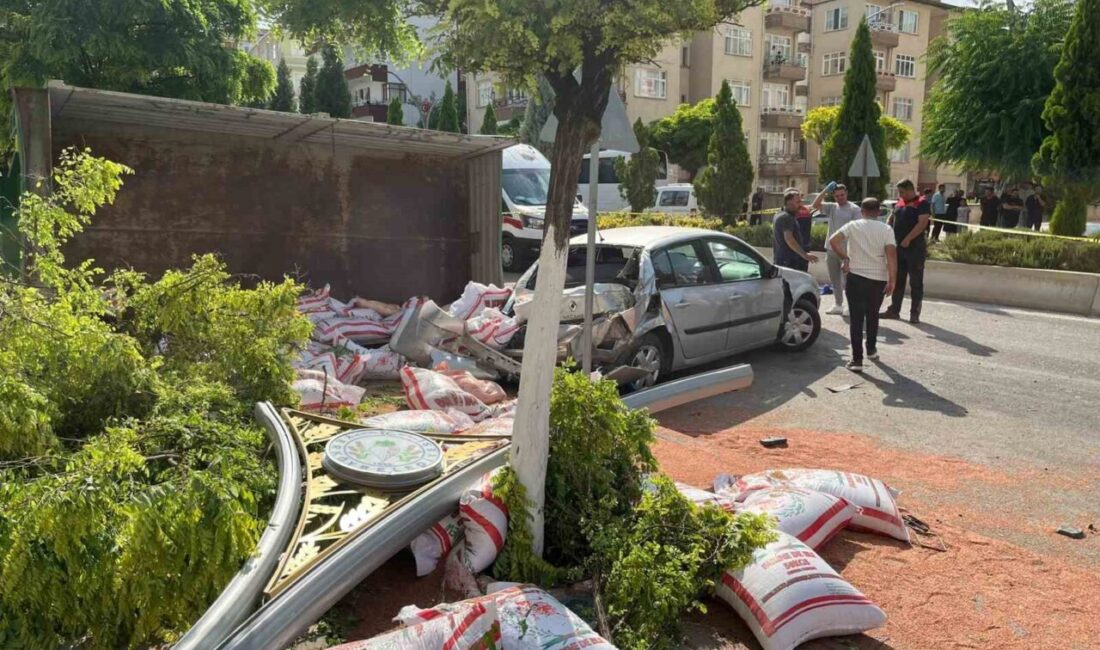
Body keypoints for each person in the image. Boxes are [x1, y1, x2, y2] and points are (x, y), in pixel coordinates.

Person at [829, 197, 897, 372]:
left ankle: (857, 359)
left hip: (856, 277)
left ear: (862, 211)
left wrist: (845, 258)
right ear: (878, 211)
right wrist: (892, 280)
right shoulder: (887, 229)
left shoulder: (853, 226)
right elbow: (891, 256)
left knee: (856, 319)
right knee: (873, 314)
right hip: (878, 279)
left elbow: (833, 240)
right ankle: (872, 349)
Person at [881, 179, 930, 324]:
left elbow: (922, 224)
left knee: (916, 282)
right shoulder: (900, 202)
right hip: (898, 249)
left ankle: (914, 314)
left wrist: (908, 239)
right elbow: (892, 218)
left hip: (915, 250)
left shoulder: (922, 203)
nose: (900, 195)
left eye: (902, 192)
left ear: (910, 190)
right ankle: (894, 310)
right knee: (898, 280)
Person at [811, 181, 861, 315]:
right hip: (831, 249)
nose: (840, 198)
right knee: (834, 279)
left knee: (848, 280)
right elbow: (815, 205)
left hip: (846, 251)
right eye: (837, 196)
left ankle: (851, 306)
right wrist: (825, 191)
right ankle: (838, 304)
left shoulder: (854, 209)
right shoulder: (832, 207)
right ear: (834, 197)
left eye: (842, 195)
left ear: (847, 194)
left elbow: (856, 231)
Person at [773, 188, 818, 272]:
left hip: (784, 259)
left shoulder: (781, 214)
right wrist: (805, 255)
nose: (801, 205)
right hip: (787, 261)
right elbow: (789, 239)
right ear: (789, 203)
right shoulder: (786, 217)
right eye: (798, 202)